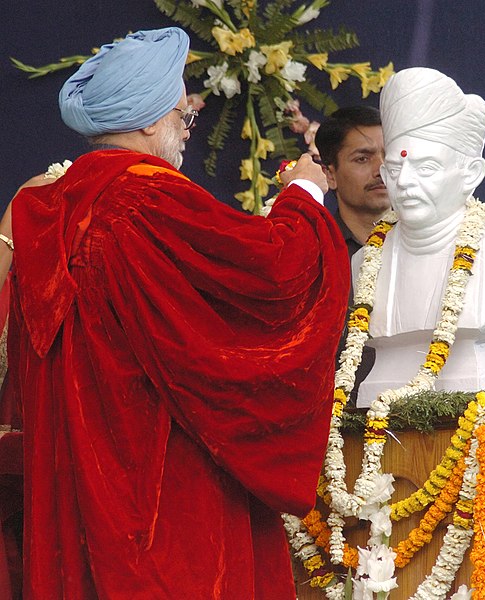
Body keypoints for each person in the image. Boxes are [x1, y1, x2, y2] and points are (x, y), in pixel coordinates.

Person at [9, 27, 349, 599]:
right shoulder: (146, 199)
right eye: (182, 117)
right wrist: (305, 195)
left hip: (76, 488)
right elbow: (272, 273)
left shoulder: (51, 206)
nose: (185, 132)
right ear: (147, 121)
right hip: (157, 496)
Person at [352, 67, 485, 406]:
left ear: (471, 174)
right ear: (385, 173)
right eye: (395, 170)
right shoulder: (363, 263)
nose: (405, 182)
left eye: (426, 168)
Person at [315, 106, 391, 404]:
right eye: (363, 158)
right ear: (329, 175)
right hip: (334, 427)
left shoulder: (428, 246)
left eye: (389, 155)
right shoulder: (313, 251)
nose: (381, 168)